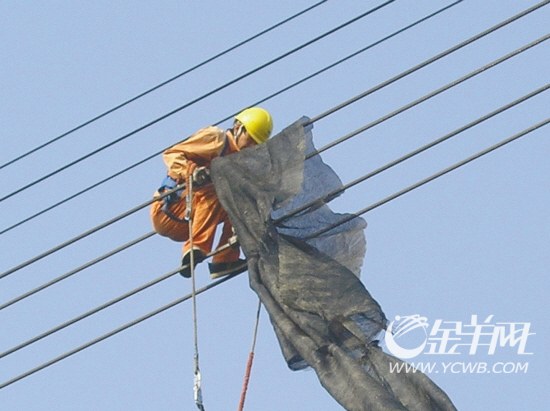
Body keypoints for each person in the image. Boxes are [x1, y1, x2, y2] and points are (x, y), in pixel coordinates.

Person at [150, 107, 273, 279]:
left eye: (256, 144)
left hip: (193, 221)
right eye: (250, 139)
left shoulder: (241, 164)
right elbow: (172, 154)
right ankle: (195, 249)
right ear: (238, 128)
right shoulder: (216, 139)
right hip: (171, 209)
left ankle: (224, 260)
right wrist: (192, 171)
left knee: (242, 200)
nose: (251, 146)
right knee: (219, 186)